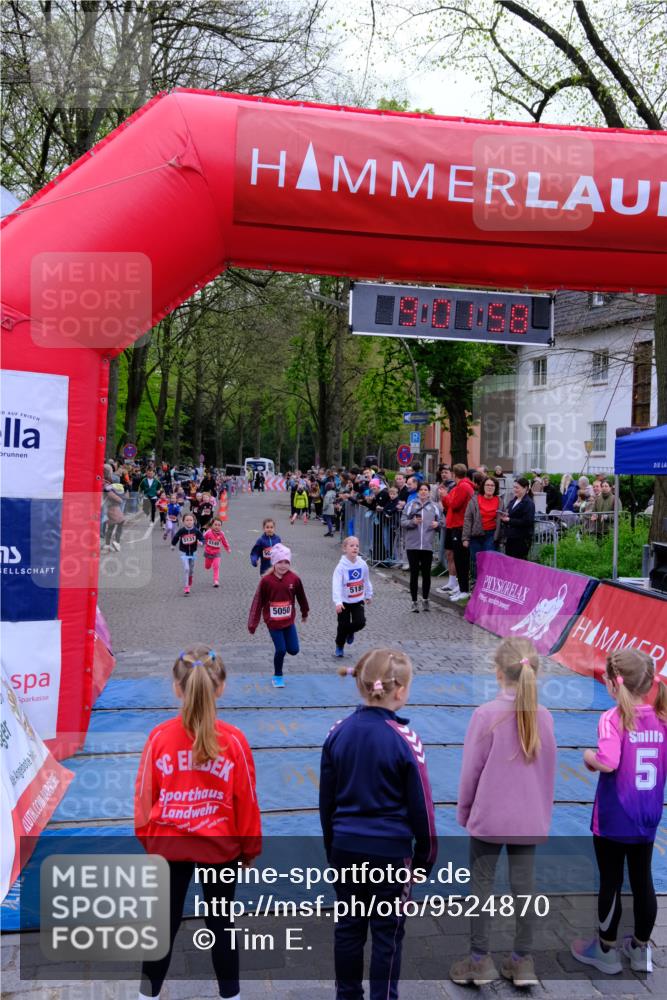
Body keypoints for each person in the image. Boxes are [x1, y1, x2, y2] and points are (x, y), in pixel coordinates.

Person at [134, 644, 261, 1000]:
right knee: (222, 925)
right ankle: (230, 995)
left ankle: (147, 995)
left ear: (176, 687)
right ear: (221, 687)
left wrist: (150, 840)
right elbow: (247, 803)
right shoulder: (234, 741)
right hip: (220, 847)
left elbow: (143, 797)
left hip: (168, 847)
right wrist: (249, 848)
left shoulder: (159, 738)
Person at [320, 648, 437, 1000]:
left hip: (345, 848)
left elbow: (326, 801)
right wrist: (425, 858)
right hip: (391, 856)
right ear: (399, 690)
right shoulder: (406, 740)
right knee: (387, 934)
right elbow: (423, 807)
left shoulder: (337, 733)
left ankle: (348, 995)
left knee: (349, 929)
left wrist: (332, 848)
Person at [450, 637, 556, 988]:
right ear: (534, 673)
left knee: (481, 885)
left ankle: (479, 961)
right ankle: (522, 961)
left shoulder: (485, 715)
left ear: (497, 673)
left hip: (490, 818)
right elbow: (548, 771)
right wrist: (541, 814)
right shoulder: (545, 717)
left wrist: (465, 812)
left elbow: (471, 771)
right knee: (524, 887)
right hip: (528, 818)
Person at [571, 650, 667, 976]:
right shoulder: (663, 717)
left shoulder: (612, 718)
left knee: (610, 880)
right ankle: (641, 950)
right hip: (647, 815)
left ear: (614, 684)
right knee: (643, 880)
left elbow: (609, 761)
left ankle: (606, 950)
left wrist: (588, 756)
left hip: (614, 818)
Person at [247, 544, 309, 688]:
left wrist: (304, 612)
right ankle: (278, 675)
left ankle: (286, 653)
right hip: (273, 623)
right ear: (274, 562)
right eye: (280, 562)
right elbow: (257, 602)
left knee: (293, 650)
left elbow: (301, 597)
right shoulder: (266, 581)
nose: (283, 565)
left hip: (288, 622)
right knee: (280, 649)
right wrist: (253, 623)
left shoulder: (294, 579)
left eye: (286, 562)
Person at [401, 481, 442, 612]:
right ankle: (414, 601)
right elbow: (402, 522)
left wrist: (438, 525)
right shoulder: (410, 505)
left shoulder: (435, 507)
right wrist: (412, 522)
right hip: (412, 545)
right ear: (418, 492)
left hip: (427, 545)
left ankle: (425, 599)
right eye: (421, 490)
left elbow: (442, 521)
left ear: (429, 492)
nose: (423, 492)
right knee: (414, 574)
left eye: (426, 490)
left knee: (426, 574)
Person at [332, 536, 373, 658]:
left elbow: (366, 580)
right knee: (342, 626)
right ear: (345, 548)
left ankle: (351, 632)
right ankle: (339, 645)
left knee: (360, 622)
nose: (355, 548)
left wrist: (368, 594)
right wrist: (338, 602)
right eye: (352, 546)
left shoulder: (362, 564)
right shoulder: (341, 567)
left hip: (358, 600)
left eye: (357, 546)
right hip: (344, 602)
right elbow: (336, 585)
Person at [440, 463, 474, 601]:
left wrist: (445, 495)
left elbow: (454, 505)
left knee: (461, 559)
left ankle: (464, 589)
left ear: (454, 474)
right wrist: (445, 497)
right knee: (459, 558)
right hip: (457, 525)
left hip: (460, 526)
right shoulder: (462, 486)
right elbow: (450, 505)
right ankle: (461, 587)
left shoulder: (463, 486)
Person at [462, 476, 503, 580]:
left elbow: (502, 518)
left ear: (496, 488)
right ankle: (477, 585)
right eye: (487, 485)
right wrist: (465, 538)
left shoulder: (499, 501)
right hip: (475, 535)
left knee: (489, 560)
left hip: (491, 534)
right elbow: (468, 519)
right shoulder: (474, 500)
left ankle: (486, 586)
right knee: (476, 560)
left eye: (492, 485)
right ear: (483, 487)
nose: (490, 487)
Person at [500, 478, 535, 561]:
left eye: (517, 487)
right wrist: (504, 517)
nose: (514, 490)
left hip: (521, 539)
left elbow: (528, 521)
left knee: (518, 564)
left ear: (525, 488)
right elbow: (509, 514)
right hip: (511, 537)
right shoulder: (513, 501)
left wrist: (509, 520)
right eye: (514, 487)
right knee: (510, 562)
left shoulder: (529, 503)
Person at [171, 512, 204, 595]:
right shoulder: (182, 530)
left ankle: (190, 577)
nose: (189, 522)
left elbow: (202, 538)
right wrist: (173, 545)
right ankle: (186, 587)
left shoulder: (196, 531)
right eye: (187, 520)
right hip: (183, 552)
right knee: (186, 568)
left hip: (193, 552)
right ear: (183, 521)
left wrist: (201, 542)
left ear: (194, 521)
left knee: (191, 569)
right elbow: (176, 537)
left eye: (191, 520)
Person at [102, 464, 125, 552]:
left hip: (111, 506)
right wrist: (120, 499)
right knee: (121, 522)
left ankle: (107, 544)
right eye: (110, 471)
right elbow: (109, 493)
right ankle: (116, 542)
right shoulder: (105, 482)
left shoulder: (106, 482)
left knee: (112, 525)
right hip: (112, 506)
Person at [203, 517, 231, 588]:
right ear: (212, 525)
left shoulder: (221, 534)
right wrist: (200, 543)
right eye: (215, 524)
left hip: (216, 553)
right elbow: (202, 539)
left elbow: (224, 542)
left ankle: (216, 580)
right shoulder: (208, 532)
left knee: (216, 566)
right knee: (207, 566)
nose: (217, 526)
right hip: (208, 552)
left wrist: (227, 549)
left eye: (219, 525)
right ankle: (209, 564)